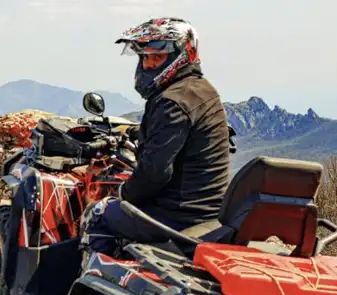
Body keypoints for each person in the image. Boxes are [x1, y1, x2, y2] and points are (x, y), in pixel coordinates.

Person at [81, 17, 232, 257]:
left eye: (157, 57)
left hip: (178, 216)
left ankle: (90, 287)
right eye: (145, 57)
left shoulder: (171, 102)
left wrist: (122, 193)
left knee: (98, 213)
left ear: (180, 56)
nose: (149, 65)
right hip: (208, 210)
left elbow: (154, 174)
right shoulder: (201, 90)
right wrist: (138, 133)